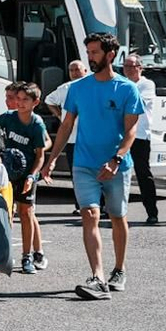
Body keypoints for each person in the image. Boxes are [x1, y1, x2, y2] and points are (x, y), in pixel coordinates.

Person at [48, 33, 145, 301]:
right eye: (88, 52)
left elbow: (131, 130)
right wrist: (53, 157)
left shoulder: (127, 89)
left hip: (116, 166)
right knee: (89, 214)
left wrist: (116, 160)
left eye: (95, 53)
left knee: (117, 216)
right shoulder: (78, 88)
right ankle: (97, 277)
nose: (90, 57)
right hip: (84, 163)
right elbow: (67, 125)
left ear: (110, 55)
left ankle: (119, 269)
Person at [0, 82, 51, 274]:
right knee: (5, 211)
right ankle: (0, 255)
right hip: (8, 171)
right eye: (18, 99)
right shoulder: (8, 118)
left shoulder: (36, 124)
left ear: (35, 102)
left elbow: (40, 155)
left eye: (25, 100)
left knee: (26, 213)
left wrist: (32, 175)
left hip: (26, 174)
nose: (20, 103)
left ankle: (28, 256)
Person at [119, 53, 162, 225]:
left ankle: (152, 212)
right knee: (116, 172)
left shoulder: (147, 84)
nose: (128, 69)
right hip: (120, 135)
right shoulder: (121, 83)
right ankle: (112, 210)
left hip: (140, 135)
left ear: (140, 68)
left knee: (144, 174)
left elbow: (138, 104)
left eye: (132, 66)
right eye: (126, 66)